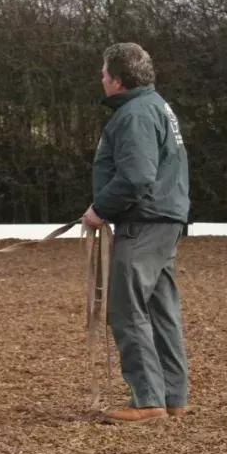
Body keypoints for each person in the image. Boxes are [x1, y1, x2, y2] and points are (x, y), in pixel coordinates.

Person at [82, 42, 191, 424]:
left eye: (104, 73)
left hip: (143, 222)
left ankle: (147, 400)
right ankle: (172, 396)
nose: (101, 79)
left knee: (126, 310)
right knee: (161, 310)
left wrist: (99, 210)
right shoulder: (157, 106)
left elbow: (136, 177)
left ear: (117, 79)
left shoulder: (134, 114)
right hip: (164, 220)